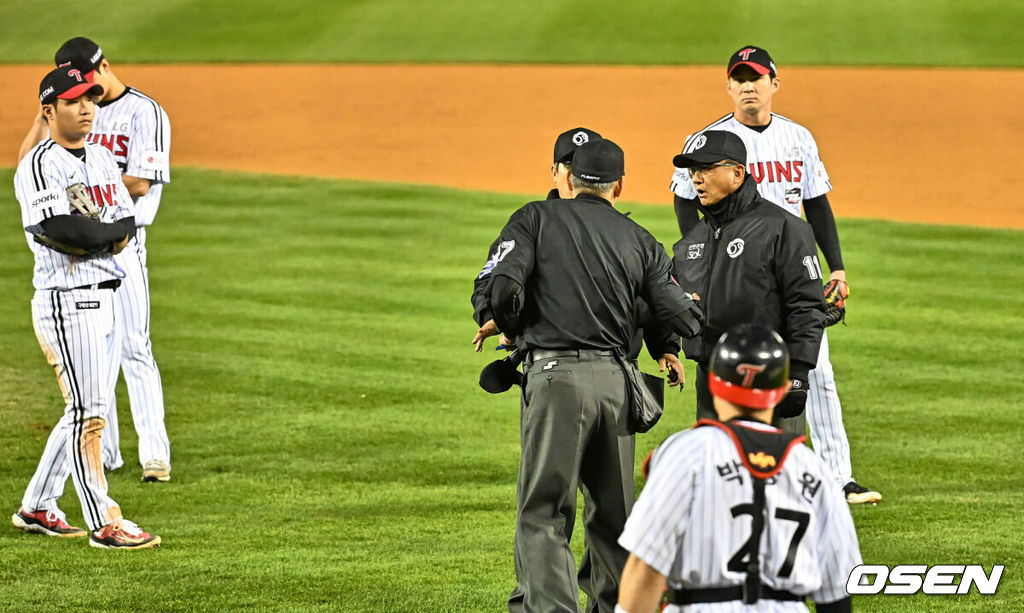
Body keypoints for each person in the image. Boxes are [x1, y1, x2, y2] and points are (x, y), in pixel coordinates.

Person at [483, 138, 703, 613]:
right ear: (619, 186)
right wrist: (671, 344)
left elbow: (501, 286)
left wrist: (508, 322)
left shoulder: (536, 218)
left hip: (556, 380)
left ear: (568, 177)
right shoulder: (639, 239)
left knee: (544, 511)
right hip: (618, 385)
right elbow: (674, 312)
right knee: (615, 515)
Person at [669, 45, 879, 504]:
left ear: (773, 85)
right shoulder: (707, 142)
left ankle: (837, 476)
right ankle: (728, 477)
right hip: (737, 267)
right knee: (723, 366)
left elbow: (817, 203)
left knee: (815, 368)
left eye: (757, 78)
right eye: (739, 78)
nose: (748, 86)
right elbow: (686, 201)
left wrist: (836, 265)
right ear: (728, 86)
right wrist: (706, 258)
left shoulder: (798, 138)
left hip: (792, 264)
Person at [11, 67, 160, 549]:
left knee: (83, 411)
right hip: (66, 304)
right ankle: (105, 521)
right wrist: (98, 236)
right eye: (74, 101)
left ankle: (37, 505)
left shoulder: (99, 159)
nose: (87, 108)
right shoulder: (39, 164)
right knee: (89, 414)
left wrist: (96, 236)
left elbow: (125, 226)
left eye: (91, 99)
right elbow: (58, 230)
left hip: (106, 298)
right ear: (49, 110)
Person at [617, 324, 861, 613]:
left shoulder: (685, 453)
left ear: (714, 384)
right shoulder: (813, 469)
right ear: (782, 390)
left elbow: (646, 569)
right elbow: (837, 593)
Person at [670, 130, 825, 434]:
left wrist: (798, 374)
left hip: (768, 381)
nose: (697, 179)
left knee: (773, 474)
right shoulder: (693, 241)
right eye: (693, 171)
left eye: (706, 168)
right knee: (720, 475)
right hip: (713, 384)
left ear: (737, 173)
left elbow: (806, 305)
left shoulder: (783, 228)